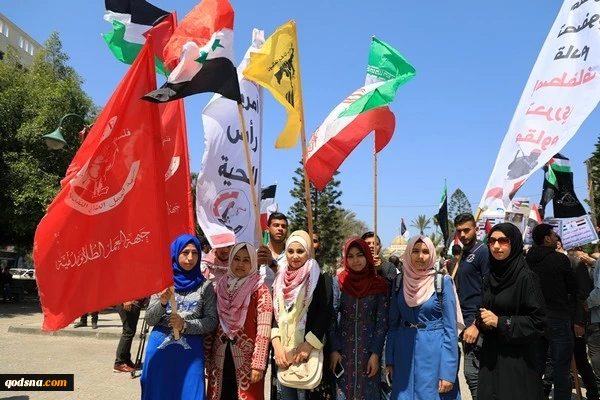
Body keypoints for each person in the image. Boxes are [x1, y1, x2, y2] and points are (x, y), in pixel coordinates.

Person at [384, 235, 463, 400]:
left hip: (434, 354)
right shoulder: (400, 282)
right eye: (415, 251)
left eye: (426, 252)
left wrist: (448, 372)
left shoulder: (442, 283)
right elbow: (393, 324)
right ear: (408, 254)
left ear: (432, 255)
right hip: (403, 354)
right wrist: (389, 360)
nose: (420, 256)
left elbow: (450, 329)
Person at [141, 234, 218, 400]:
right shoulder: (162, 282)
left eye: (194, 253)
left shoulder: (205, 286)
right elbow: (149, 319)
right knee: (158, 393)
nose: (190, 258)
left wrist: (185, 325)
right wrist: (162, 303)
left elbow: (211, 321)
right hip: (161, 349)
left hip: (190, 352)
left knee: (192, 393)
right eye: (185, 253)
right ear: (175, 254)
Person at [476, 223, 546, 399]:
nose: (497, 246)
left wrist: (500, 322)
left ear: (514, 243)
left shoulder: (527, 278)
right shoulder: (490, 277)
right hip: (491, 360)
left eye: (503, 241)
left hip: (518, 362)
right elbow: (483, 311)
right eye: (492, 241)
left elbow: (539, 323)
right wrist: (483, 322)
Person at [206, 242, 273, 400]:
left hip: (248, 362)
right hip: (220, 357)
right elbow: (212, 325)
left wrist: (258, 364)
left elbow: (263, 331)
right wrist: (207, 356)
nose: (240, 264)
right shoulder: (220, 287)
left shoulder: (260, 290)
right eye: (236, 259)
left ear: (253, 263)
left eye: (246, 260)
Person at [271, 230, 331, 400]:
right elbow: (274, 313)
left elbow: (324, 312)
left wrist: (308, 345)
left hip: (307, 351)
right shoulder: (279, 279)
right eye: (290, 251)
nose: (295, 256)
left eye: (300, 251)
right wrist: (277, 345)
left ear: (308, 252)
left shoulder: (318, 277)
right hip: (284, 352)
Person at [330, 238, 389, 399]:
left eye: (360, 255)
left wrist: (375, 354)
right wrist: (334, 349)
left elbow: (381, 323)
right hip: (344, 351)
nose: (355, 260)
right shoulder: (339, 282)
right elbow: (332, 317)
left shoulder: (379, 284)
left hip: (368, 350)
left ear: (367, 256)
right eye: (350, 256)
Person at [526, 223, 577, 400]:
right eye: (554, 235)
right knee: (561, 368)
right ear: (547, 238)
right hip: (558, 320)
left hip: (535, 321)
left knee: (536, 366)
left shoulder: (527, 262)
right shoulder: (559, 260)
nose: (557, 238)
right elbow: (573, 289)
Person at [453, 213, 489, 400]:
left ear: (476, 229)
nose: (463, 235)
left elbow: (489, 291)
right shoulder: (466, 253)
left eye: (467, 230)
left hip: (478, 326)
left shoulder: (483, 252)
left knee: (475, 376)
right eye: (459, 231)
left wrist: (476, 324)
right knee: (473, 376)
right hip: (466, 324)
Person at [569, 248, 600, 400]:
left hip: (592, 318)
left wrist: (586, 306)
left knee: (591, 356)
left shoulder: (580, 264)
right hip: (589, 318)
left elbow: (594, 292)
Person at [113, 297, 147, 373]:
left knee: (130, 331)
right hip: (129, 301)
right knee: (128, 331)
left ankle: (126, 360)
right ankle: (119, 363)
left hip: (135, 302)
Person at [257, 212, 289, 291]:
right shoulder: (259, 254)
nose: (280, 229)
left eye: (283, 226)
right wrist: (256, 265)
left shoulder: (292, 256)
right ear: (267, 229)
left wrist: (272, 263)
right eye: (276, 225)